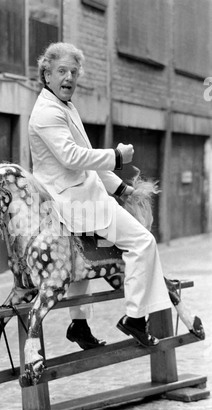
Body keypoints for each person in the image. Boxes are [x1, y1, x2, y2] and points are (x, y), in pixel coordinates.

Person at [28, 42, 172, 348]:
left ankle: (78, 326)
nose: (69, 77)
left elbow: (85, 162)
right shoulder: (46, 113)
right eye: (62, 71)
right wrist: (117, 158)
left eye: (74, 71)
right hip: (74, 203)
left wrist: (122, 188)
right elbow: (72, 158)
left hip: (80, 197)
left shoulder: (63, 106)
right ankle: (134, 318)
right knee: (142, 242)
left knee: (81, 266)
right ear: (47, 74)